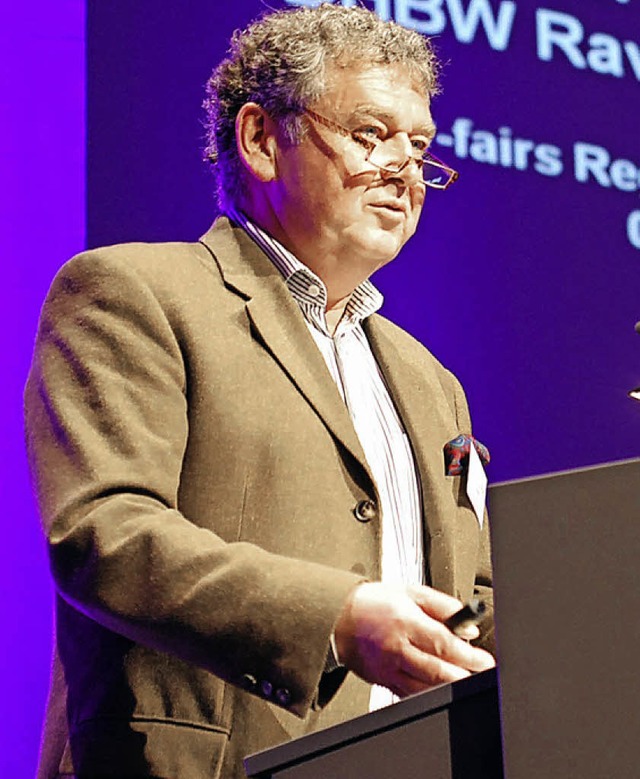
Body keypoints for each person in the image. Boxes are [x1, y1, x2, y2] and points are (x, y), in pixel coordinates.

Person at [25, 4, 495, 778]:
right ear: (259, 140)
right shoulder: (135, 293)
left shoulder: (430, 381)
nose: (406, 173)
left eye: (420, 149)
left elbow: (471, 596)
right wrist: (335, 619)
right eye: (371, 135)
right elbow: (106, 534)